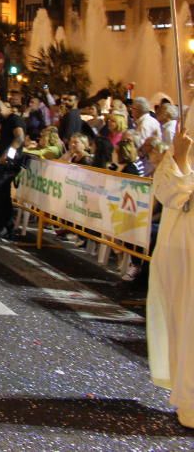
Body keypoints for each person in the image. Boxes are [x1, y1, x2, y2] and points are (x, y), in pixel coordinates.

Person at [149, 109, 194, 429]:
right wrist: (178, 159)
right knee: (183, 322)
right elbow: (167, 192)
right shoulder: (179, 147)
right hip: (178, 248)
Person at [0, 98, 25, 241]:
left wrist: (8, 155)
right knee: (2, 196)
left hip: (9, 165)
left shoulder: (15, 120)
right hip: (3, 163)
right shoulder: (6, 122)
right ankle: (8, 227)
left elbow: (19, 139)